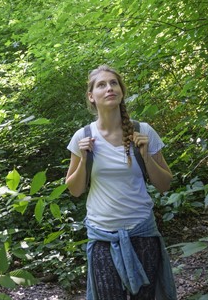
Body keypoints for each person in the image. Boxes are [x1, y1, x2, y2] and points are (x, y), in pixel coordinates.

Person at [66, 65, 177, 300]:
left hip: (142, 231)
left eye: (114, 83)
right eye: (102, 85)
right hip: (103, 236)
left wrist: (146, 155)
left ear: (122, 91)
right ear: (91, 96)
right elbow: (75, 190)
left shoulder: (143, 131)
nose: (109, 88)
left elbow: (165, 184)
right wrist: (84, 158)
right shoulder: (82, 137)